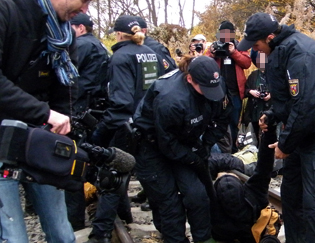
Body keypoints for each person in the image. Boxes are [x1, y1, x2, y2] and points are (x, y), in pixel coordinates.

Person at [0, 0, 107, 243]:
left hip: (39, 139)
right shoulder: (6, 12)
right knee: (14, 236)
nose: (85, 10)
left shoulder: (63, 36)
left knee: (62, 233)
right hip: (3, 136)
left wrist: (64, 131)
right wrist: (46, 113)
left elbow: (65, 91)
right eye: (84, 1)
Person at [237, 12, 315, 243]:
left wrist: (286, 143)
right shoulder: (279, 51)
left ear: (269, 37)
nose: (254, 50)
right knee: (292, 198)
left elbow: (305, 103)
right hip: (301, 135)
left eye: (256, 44)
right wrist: (272, 115)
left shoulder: (301, 52)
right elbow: (287, 98)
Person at [133, 55, 231, 243]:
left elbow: (222, 119)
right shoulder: (171, 100)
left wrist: (206, 144)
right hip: (152, 145)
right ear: (189, 80)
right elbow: (167, 144)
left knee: (198, 195)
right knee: (169, 203)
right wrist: (193, 159)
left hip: (186, 140)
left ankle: (204, 238)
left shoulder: (215, 83)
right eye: (205, 89)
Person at [87, 15, 164, 243]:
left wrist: (100, 134)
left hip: (127, 127)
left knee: (115, 177)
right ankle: (162, 227)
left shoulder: (120, 57)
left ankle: (99, 234)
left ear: (119, 34)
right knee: (155, 178)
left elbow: (121, 103)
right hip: (151, 124)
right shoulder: (152, 54)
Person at [68, 12, 110, 230]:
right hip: (96, 109)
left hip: (80, 108)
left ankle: (74, 220)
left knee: (74, 164)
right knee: (95, 159)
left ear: (80, 28)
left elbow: (70, 76)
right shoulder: (101, 46)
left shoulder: (81, 46)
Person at [206, 21, 251, 153]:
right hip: (217, 91)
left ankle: (233, 148)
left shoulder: (239, 45)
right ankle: (219, 148)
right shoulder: (214, 45)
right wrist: (212, 54)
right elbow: (205, 64)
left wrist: (233, 52)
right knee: (217, 119)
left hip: (235, 92)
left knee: (234, 121)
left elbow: (247, 63)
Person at [242, 49, 271, 145]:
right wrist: (251, 92)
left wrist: (271, 95)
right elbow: (244, 90)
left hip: (269, 110)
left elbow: (281, 90)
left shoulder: (273, 75)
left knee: (268, 135)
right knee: (253, 135)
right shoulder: (253, 75)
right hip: (254, 111)